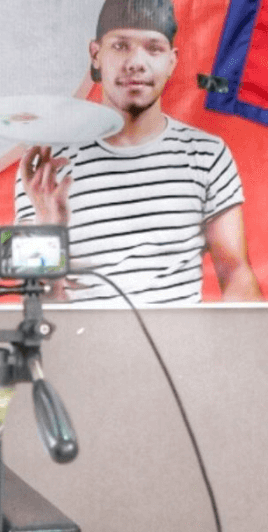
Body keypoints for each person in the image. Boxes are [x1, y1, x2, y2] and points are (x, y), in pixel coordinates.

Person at [15, 0, 263, 304]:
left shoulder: (206, 155)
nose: (136, 62)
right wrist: (49, 228)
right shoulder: (48, 162)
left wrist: (241, 349)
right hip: (84, 346)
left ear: (172, 61)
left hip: (180, 348)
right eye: (120, 46)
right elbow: (38, 308)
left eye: (154, 48)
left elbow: (236, 271)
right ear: (95, 55)